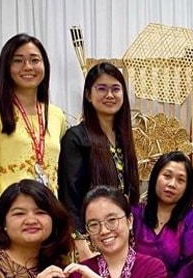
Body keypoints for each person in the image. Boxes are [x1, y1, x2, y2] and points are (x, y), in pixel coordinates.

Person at [0, 33, 68, 235]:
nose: (27, 67)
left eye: (35, 60)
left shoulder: (56, 114)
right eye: (18, 61)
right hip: (10, 221)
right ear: (6, 67)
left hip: (47, 220)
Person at [59, 62, 140, 260]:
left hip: (119, 237)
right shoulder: (76, 137)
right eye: (102, 89)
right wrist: (81, 245)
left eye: (115, 89)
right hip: (91, 239)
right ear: (88, 95)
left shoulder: (124, 138)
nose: (110, 95)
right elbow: (70, 196)